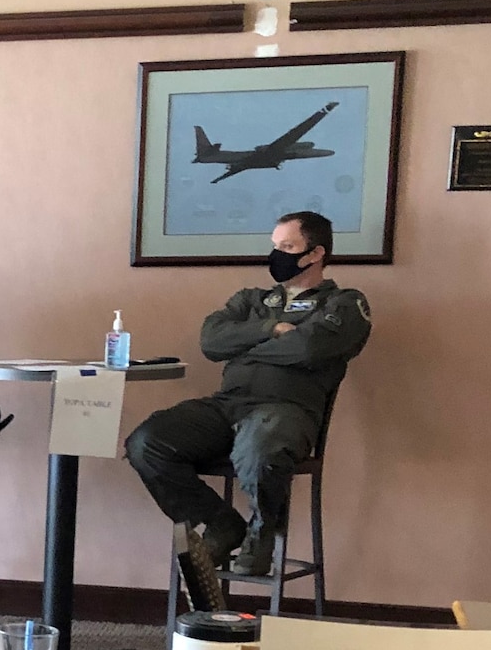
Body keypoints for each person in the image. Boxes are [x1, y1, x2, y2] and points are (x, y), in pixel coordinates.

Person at [125, 210, 370, 577]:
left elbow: (308, 349)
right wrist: (273, 329)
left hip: (287, 411)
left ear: (316, 253)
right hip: (227, 406)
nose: (277, 255)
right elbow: (211, 341)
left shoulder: (344, 304)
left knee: (259, 445)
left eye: (288, 247)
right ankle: (222, 523)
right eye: (275, 246)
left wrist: (246, 344)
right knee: (147, 442)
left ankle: (262, 532)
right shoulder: (251, 300)